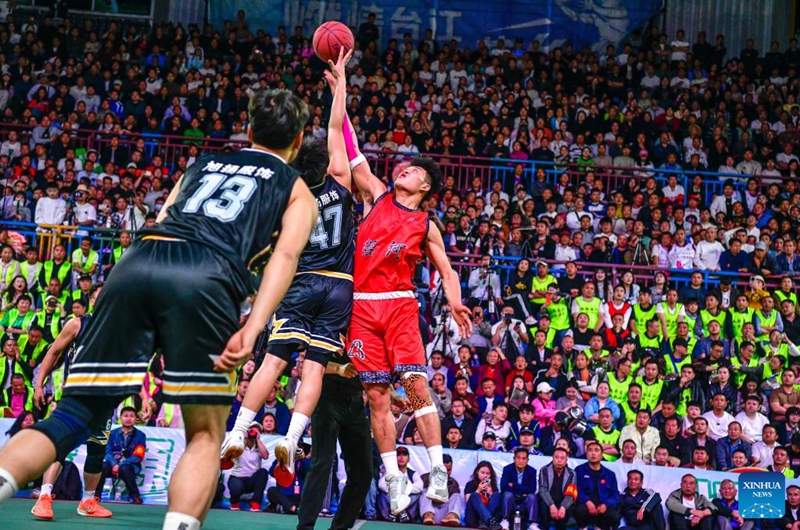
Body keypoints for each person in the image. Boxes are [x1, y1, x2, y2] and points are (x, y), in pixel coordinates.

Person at [0, 87, 318, 530]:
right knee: (206, 435)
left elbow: (163, 219)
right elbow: (284, 258)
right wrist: (253, 326)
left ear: (247, 129)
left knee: (71, 417)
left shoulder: (201, 165)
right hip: (205, 275)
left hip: (138, 264)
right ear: (298, 140)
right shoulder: (297, 189)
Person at [337, 66, 471, 516]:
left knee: (415, 388)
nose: (404, 169)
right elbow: (351, 145)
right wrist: (341, 89)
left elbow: (448, 271)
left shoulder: (425, 223)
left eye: (413, 170)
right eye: (404, 166)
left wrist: (453, 300)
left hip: (397, 306)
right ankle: (393, 478)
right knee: (376, 396)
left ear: (425, 186)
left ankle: (435, 469)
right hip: (360, 307)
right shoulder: (374, 195)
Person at [222, 52, 357, 483]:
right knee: (314, 368)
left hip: (300, 283)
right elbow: (337, 130)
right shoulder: (341, 180)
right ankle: (293, 439)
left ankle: (238, 432)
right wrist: (341, 87)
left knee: (275, 362)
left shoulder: (291, 193)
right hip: (338, 286)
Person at [30, 282, 113, 520]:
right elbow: (53, 353)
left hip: (103, 401)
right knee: (60, 448)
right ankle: (44, 498)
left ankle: (87, 501)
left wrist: (141, 395)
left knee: (97, 451)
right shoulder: (77, 323)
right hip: (74, 400)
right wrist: (39, 384)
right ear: (92, 301)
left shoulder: (119, 329)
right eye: (99, 297)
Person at [297, 355, 373, 530]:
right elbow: (310, 362)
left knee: (363, 472)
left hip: (355, 403)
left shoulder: (370, 331)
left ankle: (341, 527)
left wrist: (392, 394)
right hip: (326, 398)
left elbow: (375, 368)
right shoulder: (328, 326)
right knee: (322, 463)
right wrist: (338, 368)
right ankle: (304, 527)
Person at [94, 406, 146, 504]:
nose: (128, 418)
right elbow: (107, 451)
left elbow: (139, 455)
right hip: (112, 464)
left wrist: (121, 464)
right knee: (103, 466)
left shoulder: (140, 435)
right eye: (125, 416)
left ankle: (135, 496)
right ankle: (96, 496)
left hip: (130, 466)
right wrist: (114, 464)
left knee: (125, 468)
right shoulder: (112, 433)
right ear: (120, 418)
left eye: (131, 416)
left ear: (136, 419)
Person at [573, 441, 620, 530]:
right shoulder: (579, 470)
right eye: (590, 450)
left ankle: (600, 527)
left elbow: (615, 495)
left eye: (596, 450)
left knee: (614, 515)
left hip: (602, 507)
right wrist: (587, 502)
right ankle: (583, 527)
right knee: (579, 510)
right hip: (585, 506)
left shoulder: (610, 474)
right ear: (586, 454)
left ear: (602, 455)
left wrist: (606, 504)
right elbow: (576, 489)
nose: (593, 453)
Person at [227, 421, 269, 511]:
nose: (253, 433)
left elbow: (265, 456)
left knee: (263, 472)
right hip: (237, 478)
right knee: (236, 486)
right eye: (252, 430)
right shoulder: (239, 443)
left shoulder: (259, 446)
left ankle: (255, 503)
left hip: (251, 480)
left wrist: (258, 440)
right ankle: (234, 502)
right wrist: (242, 438)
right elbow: (228, 453)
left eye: (257, 432)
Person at [377, 445, 423, 522]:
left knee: (417, 495)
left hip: (406, 501)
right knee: (383, 494)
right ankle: (398, 513)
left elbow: (420, 486)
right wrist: (397, 493)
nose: (401, 457)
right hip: (392, 500)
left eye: (404, 455)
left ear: (408, 459)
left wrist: (402, 491)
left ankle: (403, 514)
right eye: (398, 455)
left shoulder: (412, 473)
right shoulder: (390, 472)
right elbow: (381, 484)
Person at [500, 447, 539, 530]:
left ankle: (532, 523)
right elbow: (503, 487)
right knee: (507, 494)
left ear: (527, 460)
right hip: (512, 500)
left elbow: (532, 489)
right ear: (514, 459)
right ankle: (505, 520)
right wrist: (522, 492)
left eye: (524, 458)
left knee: (532, 496)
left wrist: (514, 485)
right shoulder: (507, 469)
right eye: (518, 458)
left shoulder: (532, 471)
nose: (521, 461)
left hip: (524, 502)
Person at [537, 447, 576, 530]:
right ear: (552, 458)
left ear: (566, 460)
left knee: (568, 508)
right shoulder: (544, 470)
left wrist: (563, 507)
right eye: (556, 457)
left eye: (562, 458)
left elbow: (571, 494)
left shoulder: (572, 473)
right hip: (547, 501)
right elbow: (543, 490)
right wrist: (551, 505)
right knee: (543, 506)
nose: (559, 460)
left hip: (562, 501)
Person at [419, 453, 462, 526]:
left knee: (457, 496)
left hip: (444, 515)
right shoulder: (425, 478)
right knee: (424, 491)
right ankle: (428, 514)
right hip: (427, 513)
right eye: (443, 470)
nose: (446, 473)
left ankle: (452, 515)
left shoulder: (453, 483)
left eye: (448, 470)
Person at [464, 461, 503, 530]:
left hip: (489, 523)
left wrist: (491, 494)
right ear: (477, 472)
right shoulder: (470, 484)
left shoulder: (493, 486)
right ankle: (487, 520)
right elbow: (468, 500)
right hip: (474, 518)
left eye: (488, 473)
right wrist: (478, 490)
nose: (485, 476)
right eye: (482, 473)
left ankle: (484, 520)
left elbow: (497, 505)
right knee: (474, 495)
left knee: (497, 495)